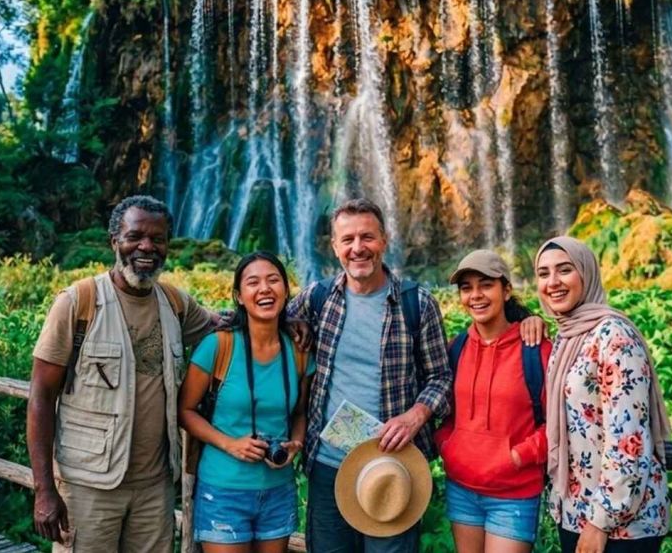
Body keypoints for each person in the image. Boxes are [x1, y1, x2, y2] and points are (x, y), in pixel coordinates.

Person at [26, 196, 308, 553]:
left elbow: (232, 322)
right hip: (90, 485)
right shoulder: (78, 302)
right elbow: (40, 396)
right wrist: (44, 489)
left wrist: (288, 321)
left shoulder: (175, 303)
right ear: (114, 241)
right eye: (135, 236)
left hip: (156, 486)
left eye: (157, 239)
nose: (146, 246)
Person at [286, 198, 451, 552]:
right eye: (347, 240)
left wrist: (414, 416)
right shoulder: (317, 298)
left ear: (384, 241)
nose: (358, 248)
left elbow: (440, 377)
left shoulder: (417, 303)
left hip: (392, 468)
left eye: (367, 237)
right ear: (335, 247)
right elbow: (262, 319)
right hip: (328, 466)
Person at [534, 237, 671, 553]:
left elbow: (628, 440)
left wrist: (601, 522)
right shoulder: (568, 335)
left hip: (622, 526)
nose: (552, 282)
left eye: (564, 270)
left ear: (587, 272)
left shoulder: (614, 336)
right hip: (576, 511)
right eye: (543, 273)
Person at [178, 251, 314, 552]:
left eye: (273, 280)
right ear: (239, 296)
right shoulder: (219, 346)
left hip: (278, 490)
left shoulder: (299, 351)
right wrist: (230, 444)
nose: (265, 289)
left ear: (285, 290)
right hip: (223, 490)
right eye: (253, 283)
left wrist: (296, 443)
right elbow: (184, 411)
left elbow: (300, 413)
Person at [436, 250, 552, 553]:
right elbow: (447, 414)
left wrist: (518, 456)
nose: (475, 295)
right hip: (461, 488)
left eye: (486, 285)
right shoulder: (456, 348)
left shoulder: (536, 350)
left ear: (506, 290)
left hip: (513, 494)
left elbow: (559, 423)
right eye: (466, 288)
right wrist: (448, 447)